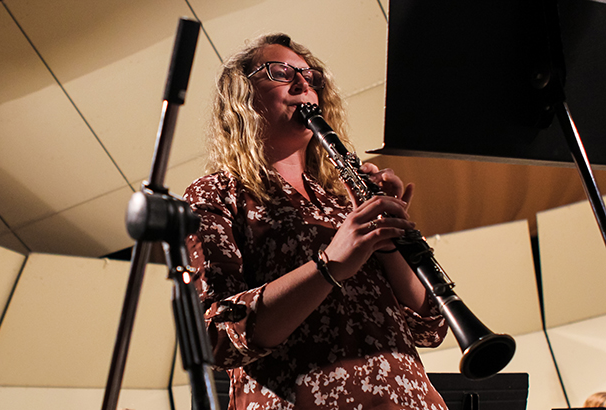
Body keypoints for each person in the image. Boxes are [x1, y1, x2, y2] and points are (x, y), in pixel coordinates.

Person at [183, 33, 449, 409]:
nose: (303, 82)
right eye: (280, 71)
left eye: (311, 77)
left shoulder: (345, 195)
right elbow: (215, 337)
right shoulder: (216, 194)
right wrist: (329, 266)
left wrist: (389, 244)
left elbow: (430, 326)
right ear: (240, 96)